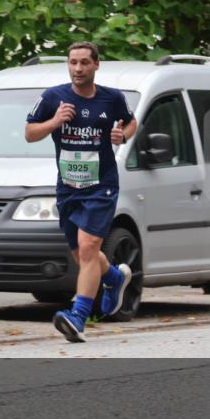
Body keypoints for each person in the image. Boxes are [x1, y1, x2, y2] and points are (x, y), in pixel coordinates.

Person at [24, 42, 138, 342]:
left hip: (102, 185)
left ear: (96, 65)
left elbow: (131, 122)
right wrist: (55, 121)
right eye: (73, 62)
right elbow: (30, 133)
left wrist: (121, 135)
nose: (78, 68)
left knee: (88, 248)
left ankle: (78, 315)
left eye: (84, 62)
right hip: (68, 187)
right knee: (81, 254)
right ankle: (114, 278)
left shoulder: (112, 98)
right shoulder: (53, 97)